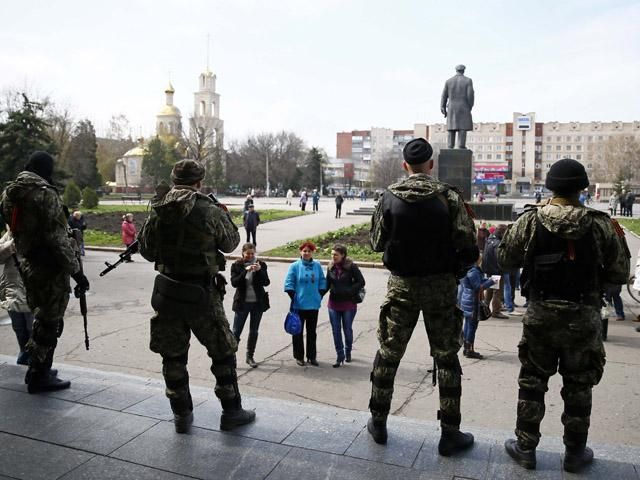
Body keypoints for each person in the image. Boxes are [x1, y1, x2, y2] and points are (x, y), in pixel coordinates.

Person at [498, 158, 630, 473]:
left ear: (549, 187)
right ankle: (575, 453)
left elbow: (504, 258)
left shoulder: (530, 221)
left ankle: (526, 448)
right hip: (583, 316)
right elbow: (621, 272)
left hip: (541, 313)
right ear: (583, 187)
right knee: (579, 385)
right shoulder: (600, 224)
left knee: (532, 382)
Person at [366, 138, 478, 455]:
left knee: (388, 353)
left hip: (402, 286)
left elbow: (376, 242)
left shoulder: (388, 197)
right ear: (431, 165)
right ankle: (450, 432)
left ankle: (379, 421)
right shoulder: (449, 197)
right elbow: (468, 243)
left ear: (405, 166)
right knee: (446, 357)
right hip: (441, 287)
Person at [137, 159, 255, 433]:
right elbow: (230, 243)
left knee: (172, 354)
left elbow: (146, 251)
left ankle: (181, 415)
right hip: (202, 293)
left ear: (174, 180)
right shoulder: (208, 209)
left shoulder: (159, 210)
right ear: (199, 182)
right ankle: (231, 411)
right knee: (222, 352)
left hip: (168, 291)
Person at [0, 151, 89, 393]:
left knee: (41, 318)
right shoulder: (44, 194)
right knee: (50, 322)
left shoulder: (10, 193)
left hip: (28, 263)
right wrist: (77, 272)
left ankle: (37, 368)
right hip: (50, 267)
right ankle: (39, 374)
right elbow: (57, 239)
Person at [284, 241, 327, 367]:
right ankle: (299, 356)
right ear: (300, 252)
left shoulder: (317, 265)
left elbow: (323, 282)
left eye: (309, 251)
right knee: (297, 331)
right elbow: (288, 284)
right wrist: (294, 298)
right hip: (299, 305)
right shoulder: (294, 266)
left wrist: (320, 294)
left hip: (313, 304)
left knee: (312, 332)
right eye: (304, 251)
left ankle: (311, 356)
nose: (306, 253)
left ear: (312, 252)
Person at [230, 243, 270, 368]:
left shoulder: (261, 265)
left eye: (252, 253)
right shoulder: (237, 265)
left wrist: (259, 271)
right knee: (236, 331)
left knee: (254, 331)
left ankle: (250, 356)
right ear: (243, 253)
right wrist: (244, 271)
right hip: (242, 303)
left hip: (257, 304)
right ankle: (231, 357)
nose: (250, 256)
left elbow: (266, 282)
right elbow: (234, 283)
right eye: (248, 254)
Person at [325, 244, 365, 367]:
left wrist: (349, 290)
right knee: (336, 331)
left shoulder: (351, 267)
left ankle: (348, 351)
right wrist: (318, 295)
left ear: (343, 255)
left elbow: (361, 282)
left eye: (336, 255)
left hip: (348, 304)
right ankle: (339, 356)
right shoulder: (330, 267)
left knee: (347, 330)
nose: (333, 257)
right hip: (333, 304)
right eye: (332, 254)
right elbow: (327, 284)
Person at [0, 230, 34, 366]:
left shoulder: (40, 230)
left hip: (33, 286)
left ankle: (35, 357)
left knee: (33, 326)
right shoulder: (10, 233)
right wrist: (11, 245)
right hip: (12, 287)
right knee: (18, 326)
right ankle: (24, 351)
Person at [459, 251, 494, 359]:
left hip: (467, 299)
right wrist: (492, 281)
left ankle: (466, 348)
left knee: (468, 324)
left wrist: (487, 280)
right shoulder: (473, 270)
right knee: (472, 326)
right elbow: (478, 286)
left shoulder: (467, 269)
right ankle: (469, 349)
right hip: (472, 301)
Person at [440, 64, 474, 149]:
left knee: (451, 127)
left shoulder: (449, 81)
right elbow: (470, 95)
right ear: (463, 70)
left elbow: (444, 95)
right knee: (462, 127)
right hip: (464, 106)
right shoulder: (468, 80)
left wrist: (442, 106)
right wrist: (470, 106)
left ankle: (450, 145)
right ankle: (461, 145)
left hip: (452, 106)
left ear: (456, 70)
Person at [482, 224, 509, 319]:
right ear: (502, 232)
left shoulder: (489, 240)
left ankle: (485, 307)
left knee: (489, 290)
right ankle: (496, 311)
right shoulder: (498, 243)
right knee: (497, 292)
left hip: (489, 269)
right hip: (497, 270)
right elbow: (500, 258)